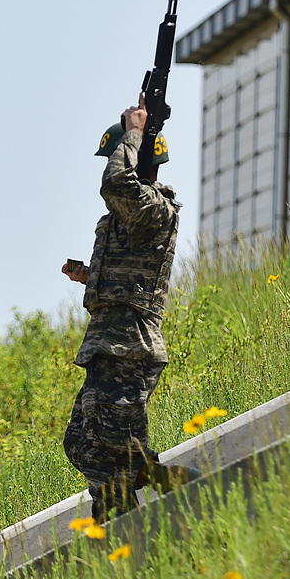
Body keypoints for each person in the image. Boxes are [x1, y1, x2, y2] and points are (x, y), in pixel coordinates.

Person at [62, 103, 198, 524]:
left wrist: (134, 133)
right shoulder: (125, 218)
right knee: (81, 443)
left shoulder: (154, 208)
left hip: (128, 347)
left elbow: (119, 183)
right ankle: (148, 473)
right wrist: (92, 277)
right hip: (108, 343)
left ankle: (129, 536)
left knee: (106, 452)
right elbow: (133, 272)